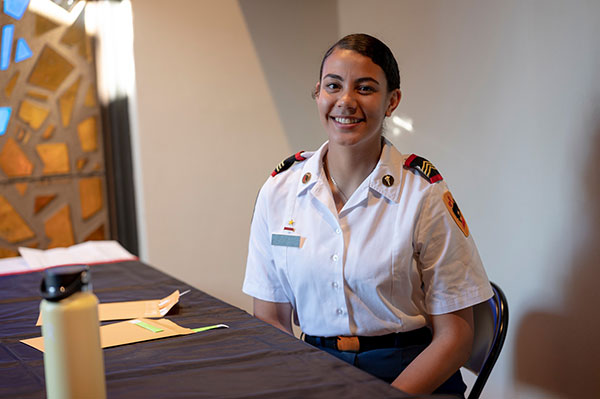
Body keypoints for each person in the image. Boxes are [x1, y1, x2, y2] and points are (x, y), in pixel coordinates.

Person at [242, 33, 493, 397]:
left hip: (412, 373)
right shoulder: (280, 191)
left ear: (392, 101)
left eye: (365, 88)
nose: (345, 101)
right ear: (318, 93)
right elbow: (269, 318)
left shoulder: (423, 193)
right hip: (314, 368)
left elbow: (456, 337)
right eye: (334, 86)